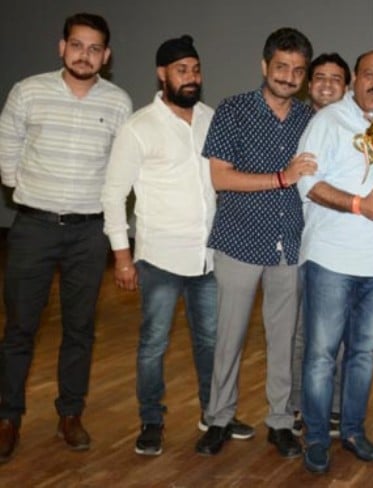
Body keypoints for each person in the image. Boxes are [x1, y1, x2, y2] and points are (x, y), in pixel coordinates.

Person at [0, 13, 131, 463]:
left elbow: (120, 169)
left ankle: (70, 414)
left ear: (106, 56)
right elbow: (7, 145)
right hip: (33, 227)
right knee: (19, 328)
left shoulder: (118, 103)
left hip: (87, 234)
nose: (84, 55)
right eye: (77, 45)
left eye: (95, 49)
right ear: (62, 48)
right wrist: (29, 191)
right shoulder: (28, 91)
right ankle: (7, 417)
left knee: (80, 330)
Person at [100, 35, 236, 457]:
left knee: (212, 342)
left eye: (195, 70)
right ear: (162, 74)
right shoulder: (138, 127)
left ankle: (213, 416)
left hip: (208, 256)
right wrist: (123, 257)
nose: (191, 78)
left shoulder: (212, 119)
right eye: (182, 70)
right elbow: (113, 194)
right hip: (159, 257)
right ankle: (152, 420)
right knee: (153, 343)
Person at [194, 27, 317, 458]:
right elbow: (220, 176)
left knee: (285, 339)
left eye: (298, 70)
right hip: (239, 241)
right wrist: (281, 178)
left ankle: (281, 421)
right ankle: (219, 418)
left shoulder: (310, 119)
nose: (288, 76)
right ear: (265, 66)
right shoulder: (233, 110)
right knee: (229, 338)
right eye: (281, 66)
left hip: (291, 245)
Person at [295, 49, 373, 474]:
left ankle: (355, 431)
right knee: (322, 355)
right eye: (370, 74)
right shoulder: (326, 121)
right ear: (354, 80)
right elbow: (307, 183)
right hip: (331, 257)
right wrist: (360, 204)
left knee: (363, 353)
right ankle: (318, 437)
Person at [289, 51, 351, 440]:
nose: (327, 84)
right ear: (309, 84)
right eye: (320, 77)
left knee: (339, 334)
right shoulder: (292, 122)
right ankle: (301, 405)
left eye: (336, 78)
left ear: (348, 86)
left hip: (339, 245)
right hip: (296, 243)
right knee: (302, 333)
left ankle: (334, 407)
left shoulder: (358, 127)